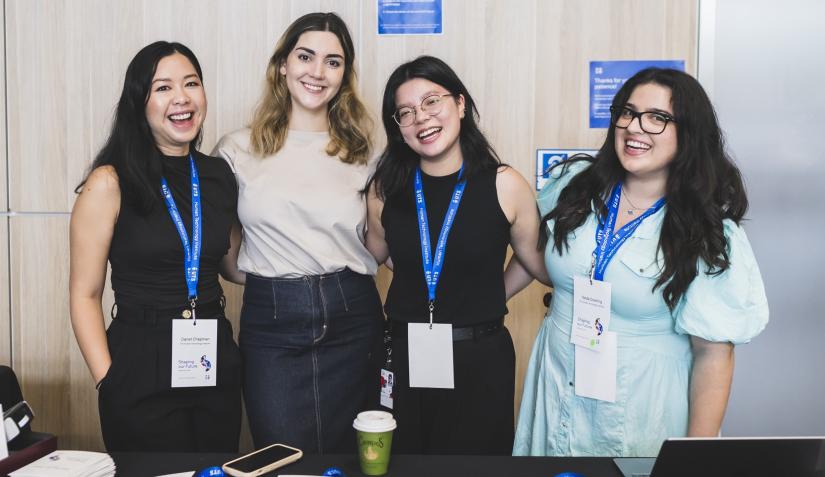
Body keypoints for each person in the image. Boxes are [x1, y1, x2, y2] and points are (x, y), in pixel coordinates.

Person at [512, 68, 769, 457]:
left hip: (640, 409)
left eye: (657, 118)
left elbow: (714, 356)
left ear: (689, 133)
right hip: (556, 384)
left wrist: (695, 459)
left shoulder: (707, 232)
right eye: (628, 113)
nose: (635, 127)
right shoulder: (576, 184)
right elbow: (535, 249)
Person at [212, 12, 382, 453]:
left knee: (354, 458)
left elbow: (379, 245)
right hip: (272, 321)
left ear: (344, 75)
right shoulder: (236, 149)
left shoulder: (366, 152)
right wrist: (275, 281)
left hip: (352, 315)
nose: (317, 72)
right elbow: (224, 252)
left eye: (333, 62)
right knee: (282, 457)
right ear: (282, 65)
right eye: (306, 57)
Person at [365, 55, 549, 455]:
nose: (421, 118)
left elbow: (537, 263)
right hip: (404, 354)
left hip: (480, 357)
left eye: (432, 101)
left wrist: (493, 291)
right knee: (403, 465)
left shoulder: (504, 184)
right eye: (406, 112)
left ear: (461, 104)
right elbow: (373, 253)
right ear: (398, 127)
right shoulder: (385, 189)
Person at [69, 41, 243, 452]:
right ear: (139, 103)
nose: (181, 98)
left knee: (213, 471)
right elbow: (84, 294)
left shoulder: (218, 176)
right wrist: (109, 379)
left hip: (212, 355)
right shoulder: (109, 182)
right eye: (163, 88)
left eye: (191, 83)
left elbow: (234, 264)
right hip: (139, 360)